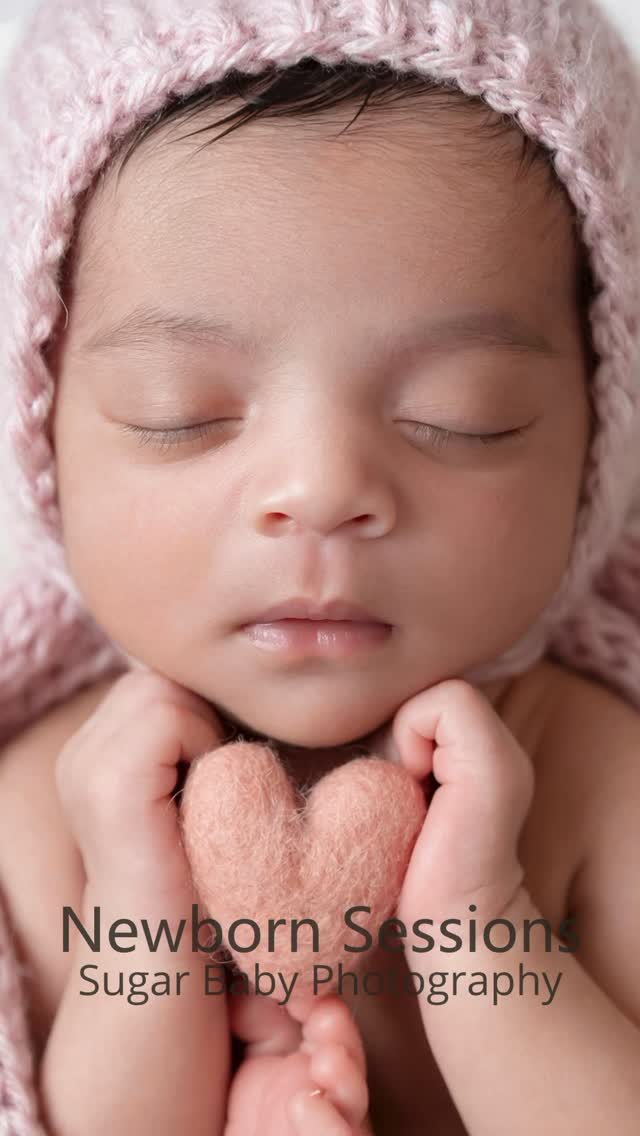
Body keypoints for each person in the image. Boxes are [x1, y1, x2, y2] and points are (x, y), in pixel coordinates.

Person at [0, 0, 639, 1133]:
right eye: (178, 412)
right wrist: (143, 915)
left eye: (463, 414)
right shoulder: (55, 803)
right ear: (41, 434)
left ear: (598, 439)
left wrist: (475, 919)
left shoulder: (594, 780)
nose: (322, 488)